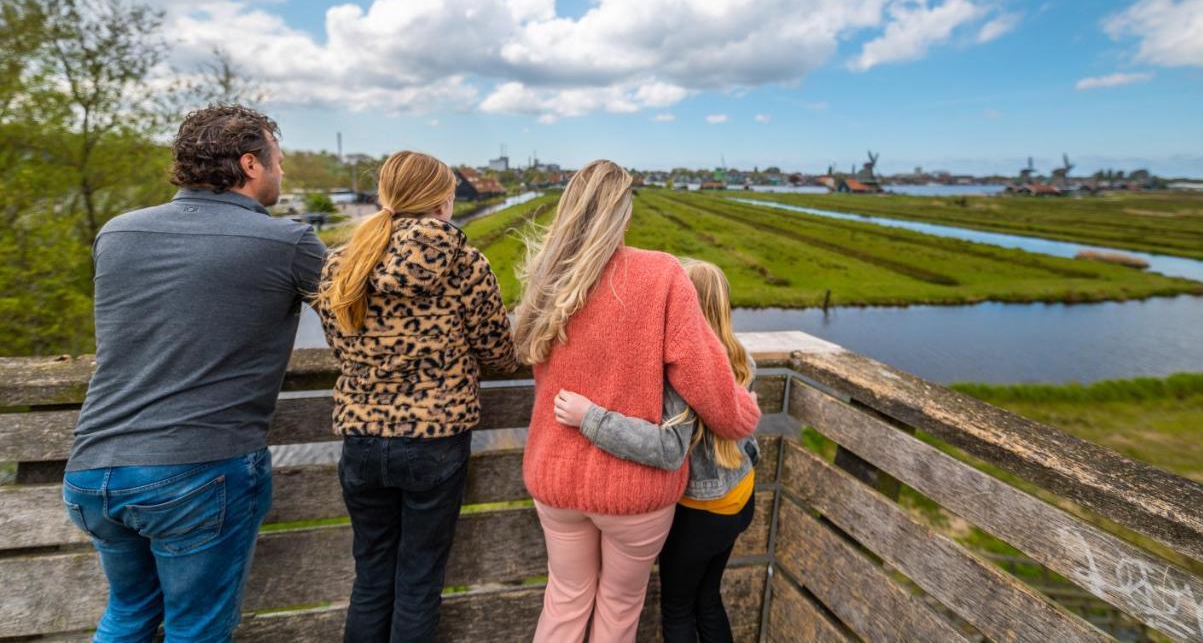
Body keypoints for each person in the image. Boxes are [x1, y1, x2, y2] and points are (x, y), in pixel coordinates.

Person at [62, 105, 326, 642]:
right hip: (195, 469)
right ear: (251, 165)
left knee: (128, 615)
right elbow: (362, 316)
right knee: (196, 630)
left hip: (92, 470)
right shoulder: (288, 241)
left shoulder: (117, 233)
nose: (283, 174)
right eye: (278, 162)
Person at [518, 159, 760, 643]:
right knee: (619, 607)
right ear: (623, 213)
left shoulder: (548, 280)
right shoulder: (662, 274)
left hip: (554, 476)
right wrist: (741, 415)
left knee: (564, 598)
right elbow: (702, 374)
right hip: (634, 490)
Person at [314, 150, 518, 643]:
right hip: (435, 437)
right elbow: (498, 352)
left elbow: (340, 341)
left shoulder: (343, 262)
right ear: (444, 201)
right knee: (419, 580)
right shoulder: (464, 262)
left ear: (385, 196)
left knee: (371, 578)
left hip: (361, 438)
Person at [554, 259, 758, 643]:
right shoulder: (741, 359)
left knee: (678, 609)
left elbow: (668, 447)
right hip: (739, 500)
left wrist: (591, 418)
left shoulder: (683, 374)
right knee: (709, 601)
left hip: (700, 512)